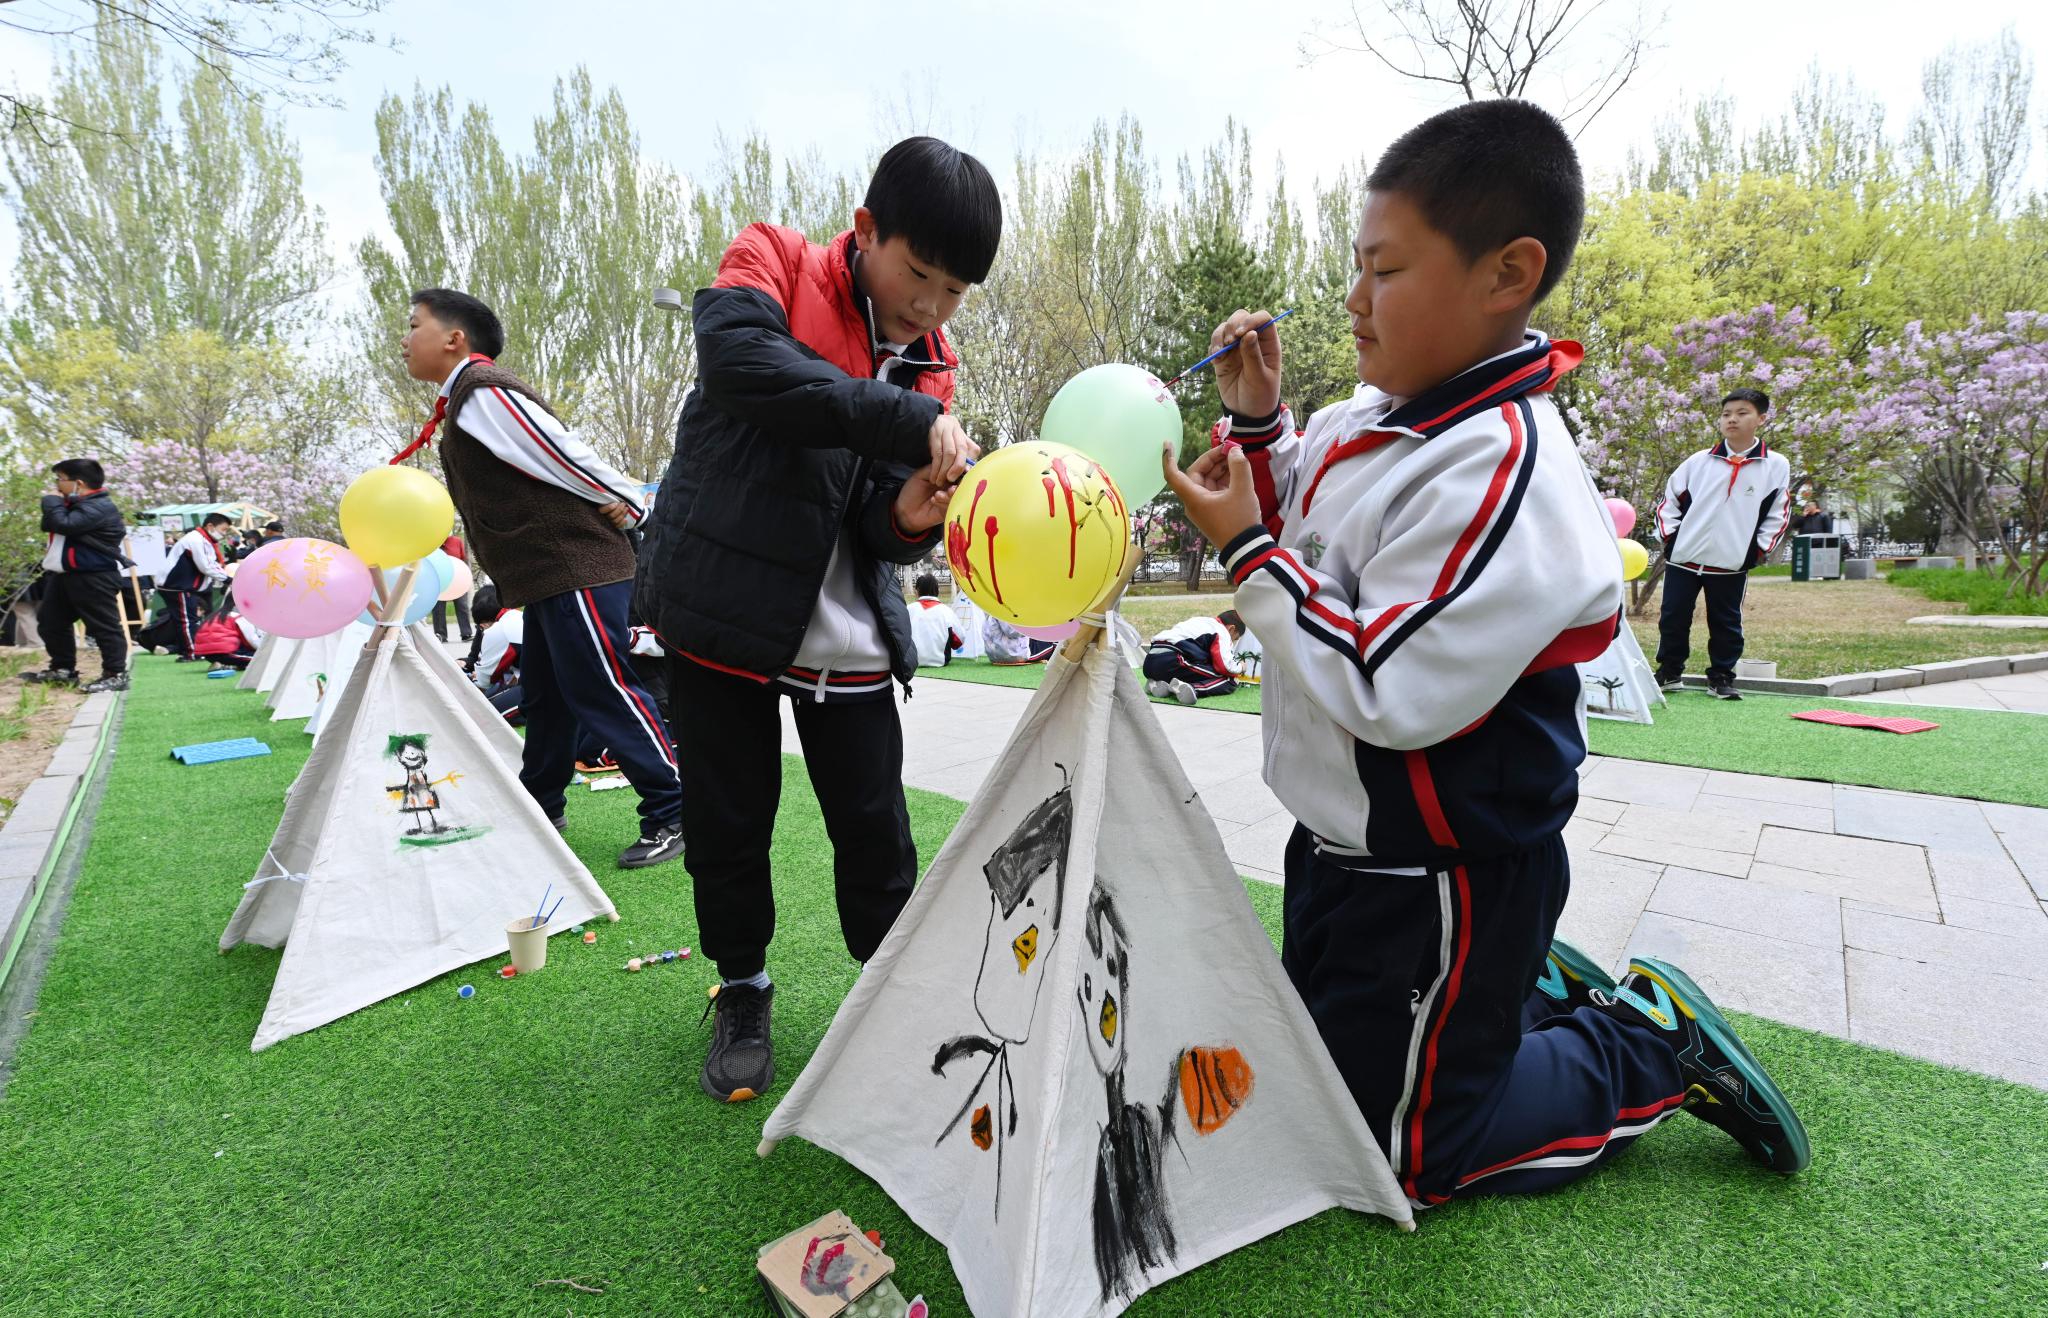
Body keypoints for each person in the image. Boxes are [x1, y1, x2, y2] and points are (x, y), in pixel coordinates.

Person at [1161, 100, 1809, 1209]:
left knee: (1399, 1160)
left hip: (1444, 869)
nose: (1353, 301)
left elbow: (1382, 682)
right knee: (1314, 1074)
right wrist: (1262, 425)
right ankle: (1501, 998)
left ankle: (1639, 1048)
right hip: (1350, 842)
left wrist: (1249, 553)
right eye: (1353, 268)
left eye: (1385, 271)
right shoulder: (1379, 416)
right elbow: (1311, 531)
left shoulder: (1506, 469)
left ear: (1506, 274)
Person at [635, 135, 1000, 1102]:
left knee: (877, 827)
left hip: (846, 636)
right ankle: (743, 986)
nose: (930, 306)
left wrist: (909, 517)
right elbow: (741, 366)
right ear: (866, 230)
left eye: (955, 292)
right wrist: (899, 420)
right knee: (729, 819)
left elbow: (876, 516)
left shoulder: (933, 367)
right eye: (918, 273)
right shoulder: (772, 259)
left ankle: (895, 992)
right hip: (724, 608)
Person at [399, 287, 683, 862]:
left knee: (604, 688)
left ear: (454, 339)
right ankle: (542, 803)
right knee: (549, 698)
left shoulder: (482, 391)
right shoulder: (466, 402)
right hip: (548, 576)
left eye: (413, 326)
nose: (404, 340)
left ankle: (675, 810)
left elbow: (560, 451)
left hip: (576, 566)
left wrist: (630, 500)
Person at [1651, 387, 1792, 700]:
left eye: (1742, 413)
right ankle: (1669, 672)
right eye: (1727, 413)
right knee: (1673, 617)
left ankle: (1722, 677)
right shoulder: (1699, 461)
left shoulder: (1775, 465)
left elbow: (1778, 513)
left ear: (1761, 419)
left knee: (1726, 623)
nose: (1732, 419)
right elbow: (1669, 500)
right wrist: (1671, 540)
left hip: (1730, 563)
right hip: (1683, 558)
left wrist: (1757, 551)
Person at [24, 458, 132, 694]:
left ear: (79, 483)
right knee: (51, 622)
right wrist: (57, 503)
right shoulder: (76, 503)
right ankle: (63, 669)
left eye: (61, 479)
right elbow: (51, 523)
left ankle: (115, 674)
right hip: (66, 575)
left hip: (94, 576)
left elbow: (63, 524)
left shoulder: (100, 506)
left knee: (104, 626)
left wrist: (51, 501)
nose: (57, 485)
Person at [159, 512, 233, 660]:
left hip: (175, 584)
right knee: (187, 620)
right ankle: (191, 652)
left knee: (183, 619)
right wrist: (228, 579)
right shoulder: (197, 540)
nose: (224, 534)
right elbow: (206, 566)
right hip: (178, 585)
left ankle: (186, 651)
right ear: (210, 526)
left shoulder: (200, 539)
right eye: (223, 529)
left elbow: (209, 565)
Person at [1142, 609, 1250, 704]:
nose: (1232, 642)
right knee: (1229, 679)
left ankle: (1155, 684)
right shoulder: (1221, 631)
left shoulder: (1200, 621)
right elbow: (1225, 666)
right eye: (1234, 638)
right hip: (1173, 660)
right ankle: (1193, 689)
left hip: (1150, 662)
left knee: (1200, 669)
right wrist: (1240, 667)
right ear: (1231, 629)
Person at [908, 571, 965, 667]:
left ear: (916, 591)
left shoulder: (908, 609)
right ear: (938, 590)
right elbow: (959, 640)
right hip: (940, 661)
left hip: (910, 661)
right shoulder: (947, 611)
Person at [433, 532, 474, 643]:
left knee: (462, 605)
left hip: (458, 578)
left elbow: (463, 559)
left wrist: (466, 577)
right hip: (439, 580)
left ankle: (466, 633)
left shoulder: (456, 541)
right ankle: (440, 635)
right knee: (438, 609)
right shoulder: (433, 542)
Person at [982, 613, 1054, 665]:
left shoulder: (990, 607)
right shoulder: (1004, 608)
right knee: (1054, 642)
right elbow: (1013, 632)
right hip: (1014, 654)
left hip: (995, 654)